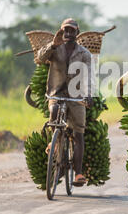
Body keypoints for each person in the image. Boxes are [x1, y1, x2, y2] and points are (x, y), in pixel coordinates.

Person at [37, 18, 94, 187]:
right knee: (54, 112)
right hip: (56, 93)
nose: (68, 34)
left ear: (77, 33)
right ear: (61, 32)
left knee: (78, 134)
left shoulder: (84, 54)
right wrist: (52, 45)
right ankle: (54, 143)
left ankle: (78, 173)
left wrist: (89, 95)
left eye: (71, 31)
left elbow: (89, 76)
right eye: (65, 31)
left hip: (76, 97)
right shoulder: (55, 48)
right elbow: (40, 59)